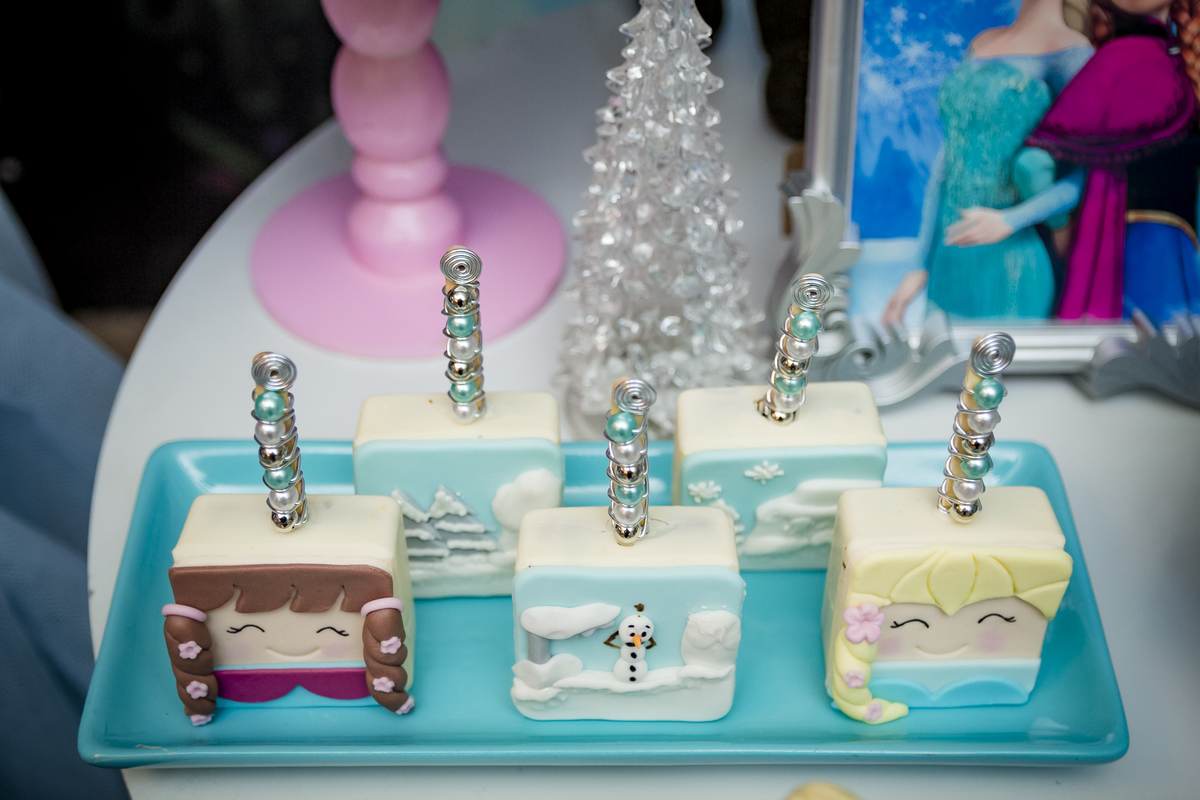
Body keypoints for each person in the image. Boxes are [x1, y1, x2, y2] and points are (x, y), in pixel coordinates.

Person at [881, 0, 1092, 326]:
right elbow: (948, 161)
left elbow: (1084, 175)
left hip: (1012, 262)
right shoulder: (982, 42)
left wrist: (1011, 219)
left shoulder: (1071, 52)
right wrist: (919, 265)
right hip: (949, 260)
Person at [1026, 0, 1200, 324]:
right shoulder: (1120, 59)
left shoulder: (1164, 59)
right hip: (1136, 250)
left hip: (1164, 247)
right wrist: (1062, 227)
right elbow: (1035, 164)